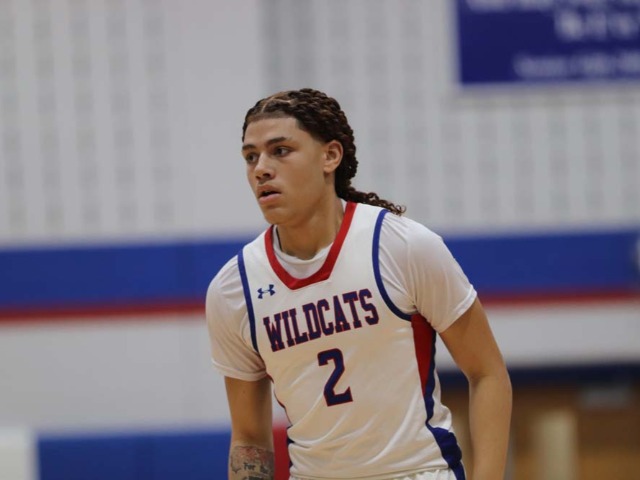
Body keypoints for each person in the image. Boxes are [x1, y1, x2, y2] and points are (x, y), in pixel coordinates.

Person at [206, 88, 512, 480]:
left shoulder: (402, 246)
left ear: (330, 156)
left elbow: (487, 373)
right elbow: (250, 437)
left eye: (280, 150)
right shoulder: (234, 289)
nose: (261, 169)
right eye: (251, 157)